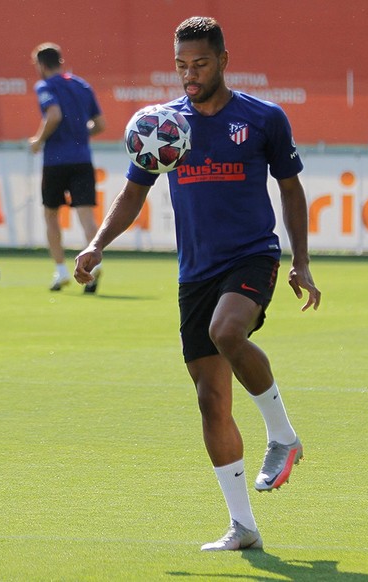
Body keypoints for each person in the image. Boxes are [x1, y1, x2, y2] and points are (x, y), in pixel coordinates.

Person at [75, 16, 321, 551]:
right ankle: (244, 527)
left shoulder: (262, 119)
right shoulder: (165, 126)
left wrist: (300, 260)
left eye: (201, 63)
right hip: (196, 271)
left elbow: (292, 189)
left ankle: (282, 437)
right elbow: (133, 192)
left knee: (227, 332)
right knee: (212, 400)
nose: (190, 74)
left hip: (253, 256)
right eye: (182, 64)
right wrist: (97, 244)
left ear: (224, 61)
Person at [29, 42, 106, 292]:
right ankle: (94, 265)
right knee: (86, 216)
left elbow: (53, 115)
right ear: (60, 61)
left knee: (51, 214)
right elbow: (100, 124)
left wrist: (38, 140)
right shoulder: (82, 85)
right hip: (82, 159)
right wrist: (80, 135)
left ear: (41, 65)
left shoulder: (45, 86)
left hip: (56, 161)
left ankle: (61, 271)